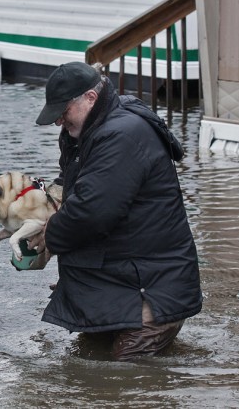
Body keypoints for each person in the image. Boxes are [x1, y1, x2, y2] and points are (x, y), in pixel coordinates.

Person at [30, 61, 202, 361]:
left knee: (124, 376)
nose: (59, 121)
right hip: (128, 282)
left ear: (90, 99)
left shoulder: (121, 135)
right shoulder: (89, 129)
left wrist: (51, 234)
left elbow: (91, 212)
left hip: (153, 291)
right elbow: (74, 188)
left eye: (63, 111)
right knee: (88, 364)